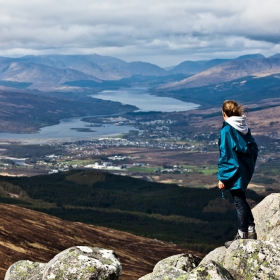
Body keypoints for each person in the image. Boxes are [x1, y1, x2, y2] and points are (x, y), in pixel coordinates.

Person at [217, 100, 258, 248]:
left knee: (239, 202)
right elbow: (252, 148)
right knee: (241, 199)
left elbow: (226, 155)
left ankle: (242, 235)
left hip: (234, 171)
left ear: (223, 113)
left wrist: (223, 177)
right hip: (243, 169)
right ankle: (251, 230)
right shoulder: (243, 127)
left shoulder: (227, 130)